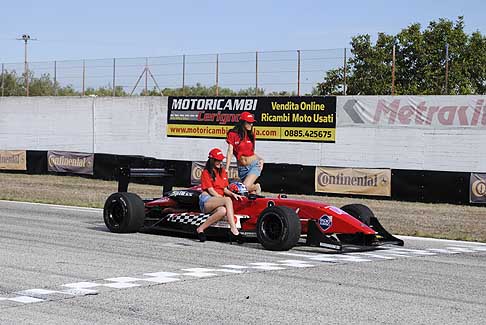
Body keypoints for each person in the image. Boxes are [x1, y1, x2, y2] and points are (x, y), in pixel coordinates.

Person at [196, 148, 243, 242]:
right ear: (212, 160)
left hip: (217, 201)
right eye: (217, 160)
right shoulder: (206, 173)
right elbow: (211, 190)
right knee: (227, 200)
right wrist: (223, 199)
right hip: (207, 200)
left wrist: (233, 194)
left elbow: (224, 189)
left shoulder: (222, 172)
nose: (220, 162)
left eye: (221, 160)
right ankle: (234, 230)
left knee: (223, 211)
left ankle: (200, 229)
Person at [225, 111, 263, 195]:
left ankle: (256, 186)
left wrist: (261, 159)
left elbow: (251, 153)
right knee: (250, 193)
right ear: (242, 122)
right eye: (249, 122)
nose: (251, 124)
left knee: (244, 187)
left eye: (252, 123)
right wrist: (226, 169)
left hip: (254, 165)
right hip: (242, 169)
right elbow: (230, 152)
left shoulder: (251, 135)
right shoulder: (233, 134)